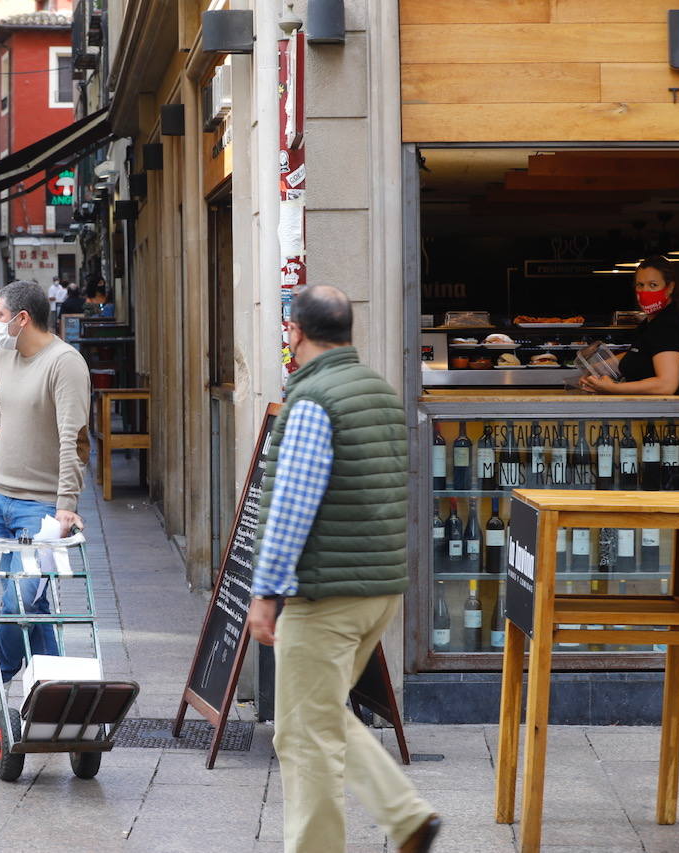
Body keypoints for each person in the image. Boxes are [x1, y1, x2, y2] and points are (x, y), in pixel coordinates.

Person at [246, 285, 439, 853]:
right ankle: (405, 817)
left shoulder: (313, 401)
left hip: (324, 593)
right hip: (377, 587)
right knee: (314, 717)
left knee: (305, 738)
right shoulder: (377, 391)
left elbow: (291, 505)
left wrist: (266, 591)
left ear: (295, 333)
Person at [0, 280, 91, 726]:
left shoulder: (64, 363)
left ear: (23, 318)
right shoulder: (5, 355)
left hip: (40, 507)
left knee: (21, 600)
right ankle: (54, 691)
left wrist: (66, 503)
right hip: (1, 499)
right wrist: (2, 429)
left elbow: (71, 439)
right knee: (33, 605)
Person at [581, 255, 679, 395]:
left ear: (670, 287)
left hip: (663, 414)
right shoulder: (650, 324)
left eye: (653, 285)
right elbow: (639, 355)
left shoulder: (667, 327)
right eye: (640, 285)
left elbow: (666, 385)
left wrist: (613, 388)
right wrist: (598, 370)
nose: (645, 291)